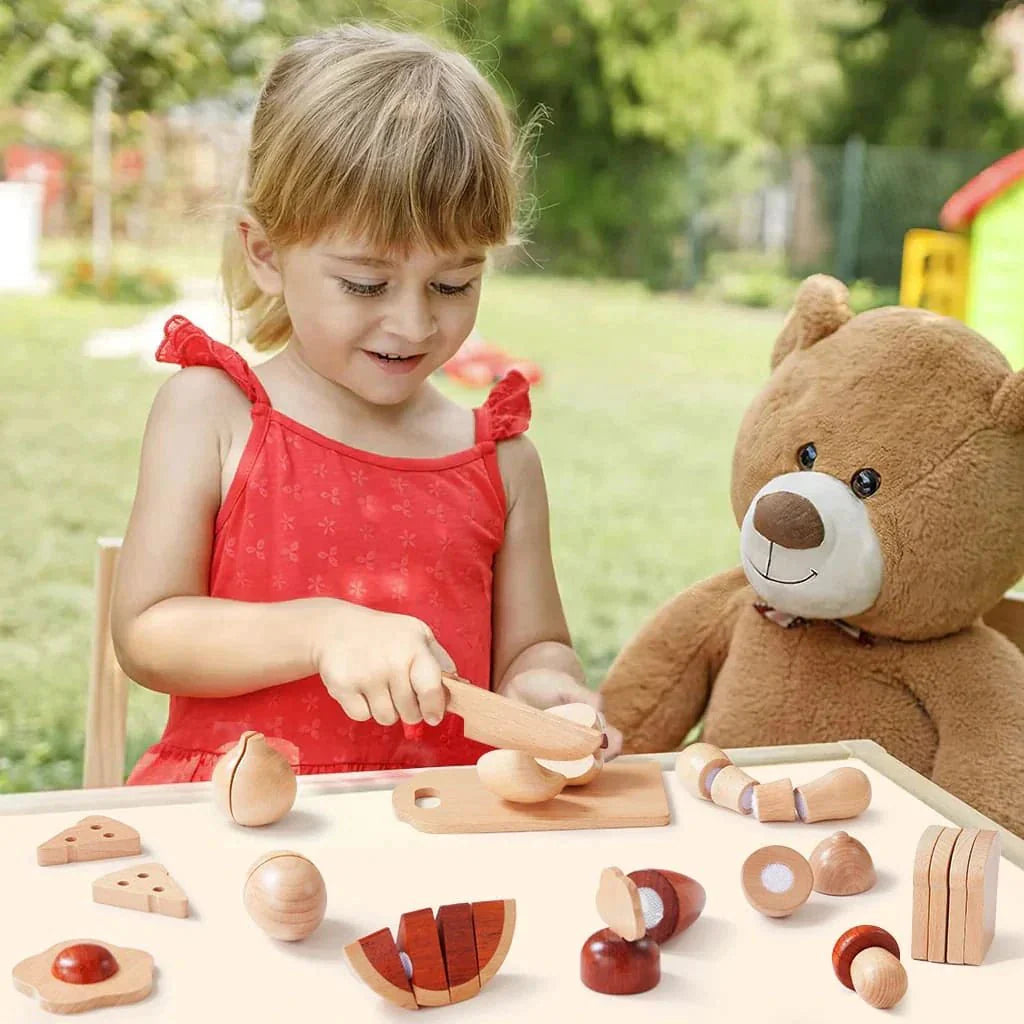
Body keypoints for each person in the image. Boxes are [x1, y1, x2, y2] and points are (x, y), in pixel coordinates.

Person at [111, 22, 622, 784]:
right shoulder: (212, 414)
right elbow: (149, 633)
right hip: (237, 825)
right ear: (265, 252)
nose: (414, 323)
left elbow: (531, 648)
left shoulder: (501, 462)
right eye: (365, 283)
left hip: (438, 823)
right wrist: (323, 630)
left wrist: (541, 689)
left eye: (453, 285)